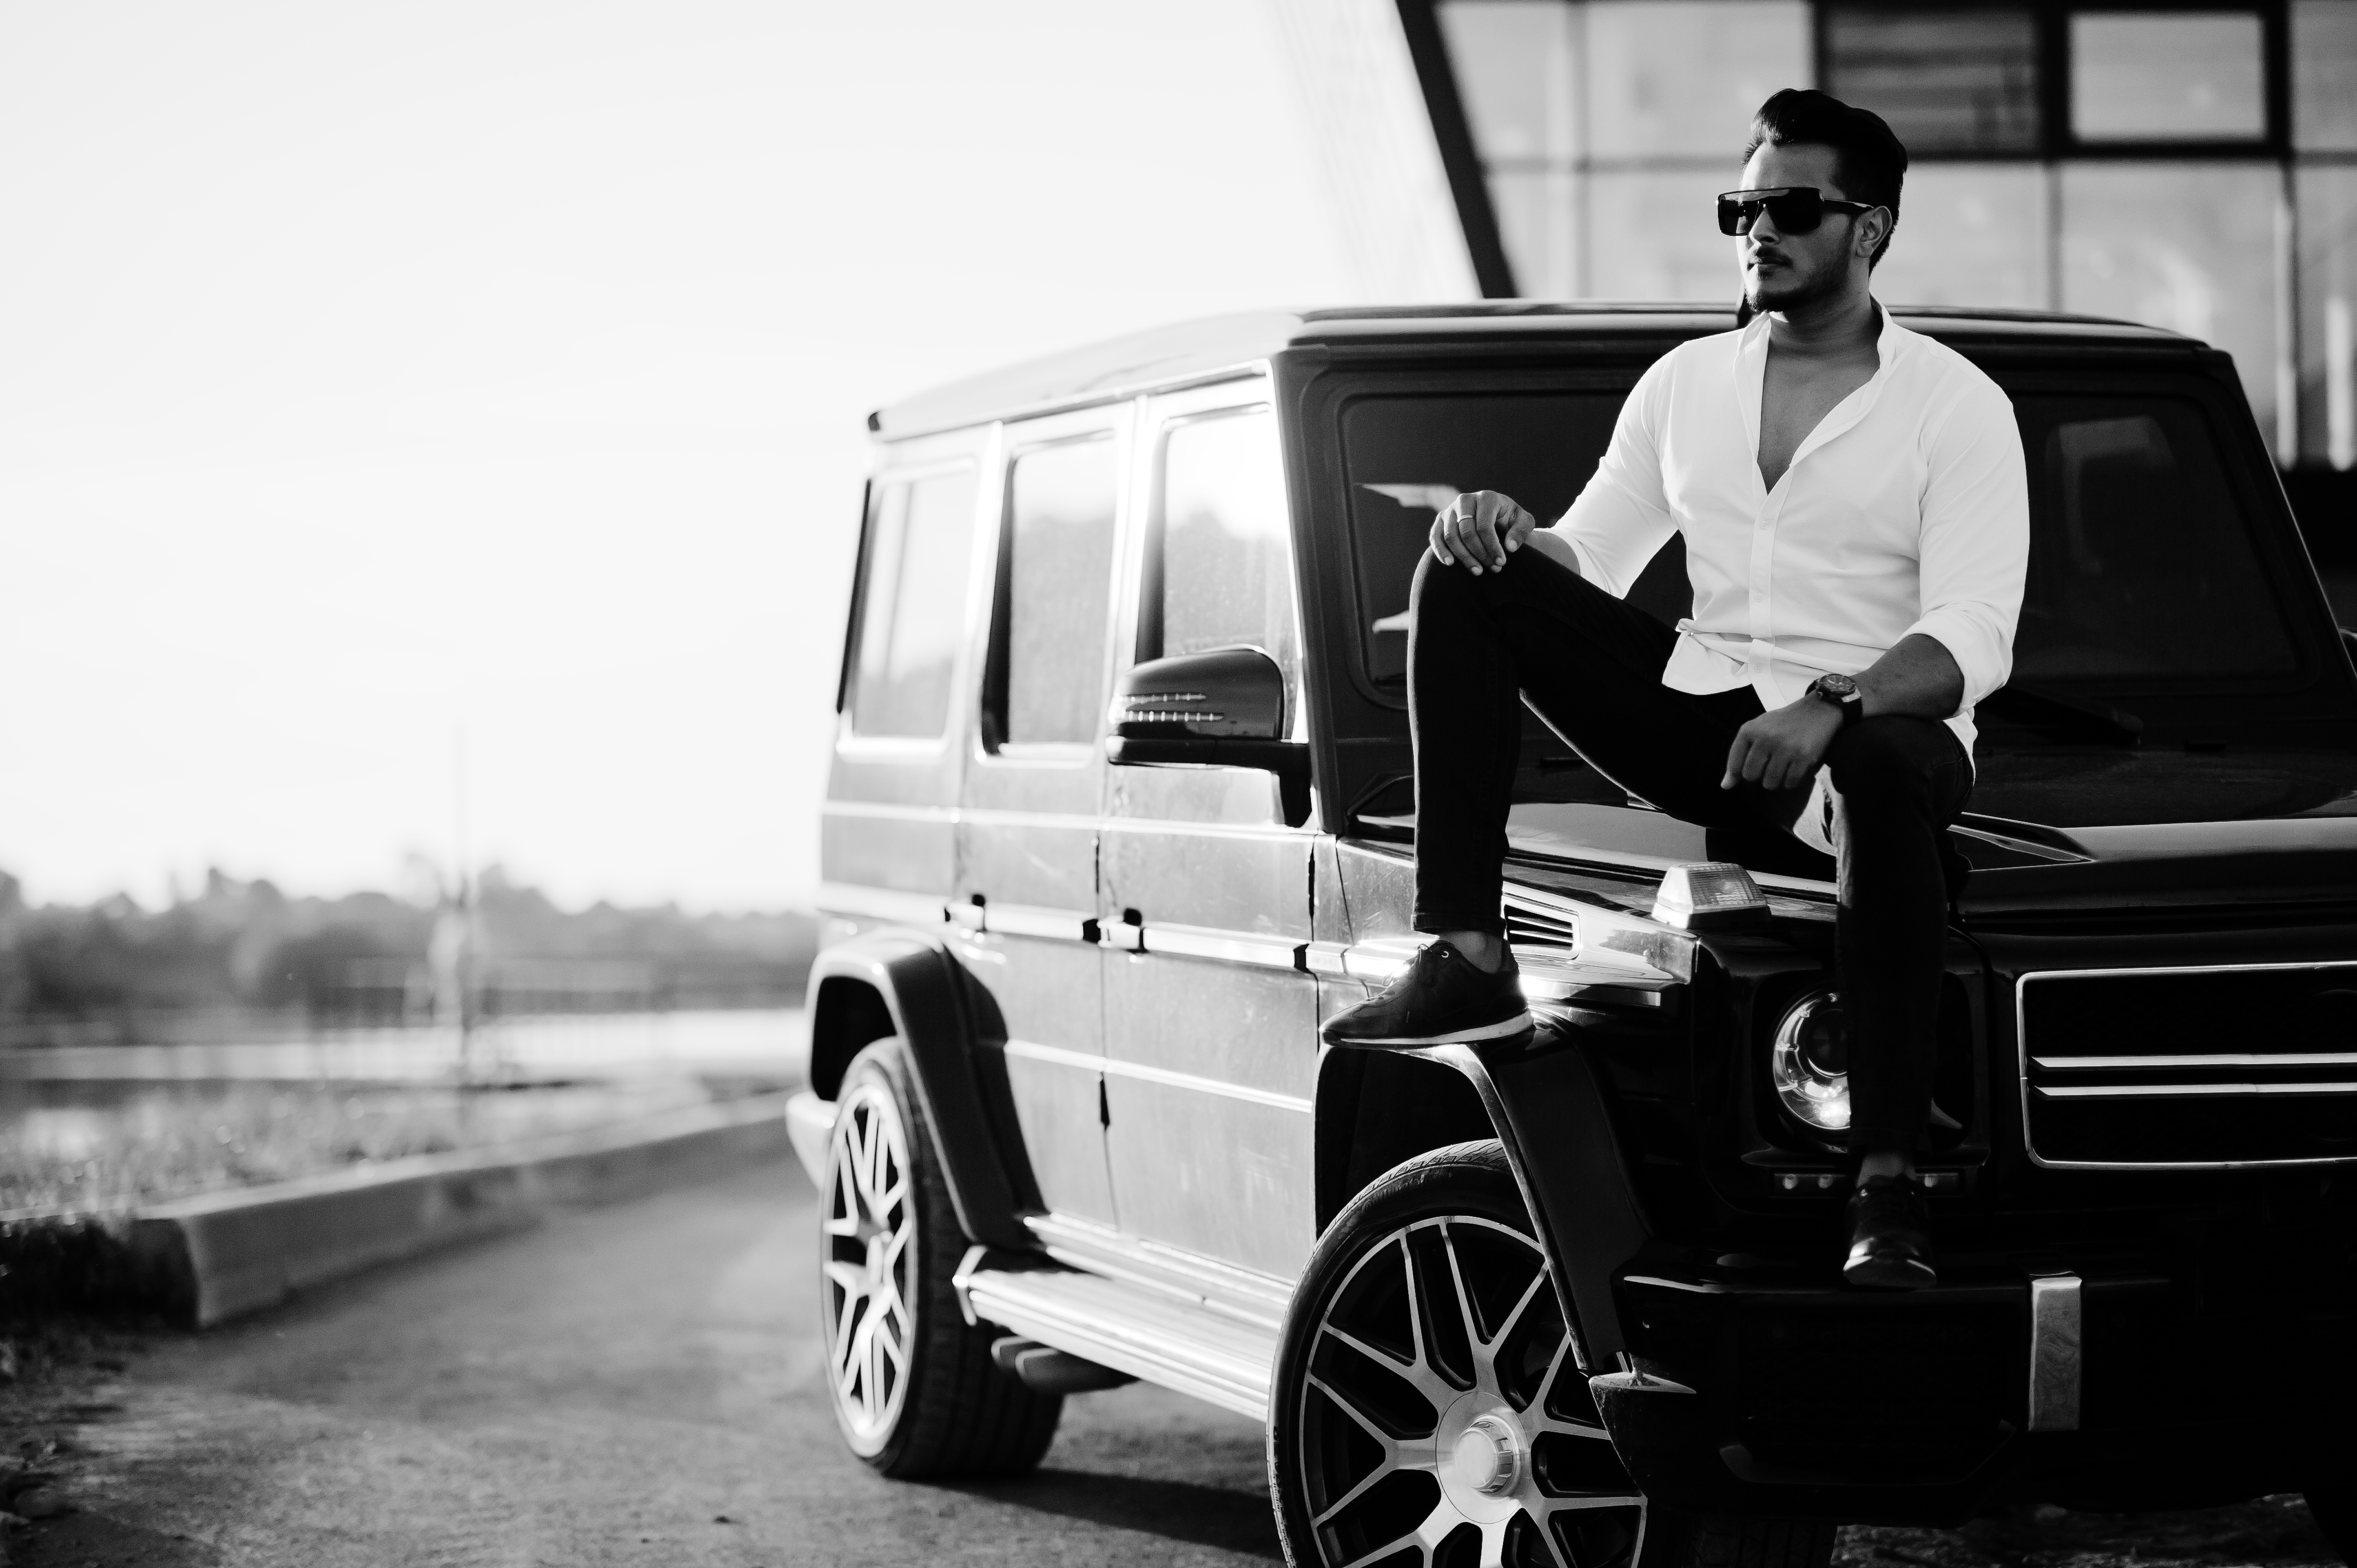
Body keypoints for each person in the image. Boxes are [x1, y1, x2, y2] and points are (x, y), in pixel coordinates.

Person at [1319, 88, 2029, 1291]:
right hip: (1712, 733)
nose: (1758, 228)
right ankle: (1466, 949)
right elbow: (1590, 555)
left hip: (1879, 752)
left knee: (1879, 760)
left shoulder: (1953, 404)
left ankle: (1888, 1182)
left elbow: (1972, 631)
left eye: (1790, 206)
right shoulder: (1685, 384)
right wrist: (1503, 529)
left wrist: (1834, 702)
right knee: (1461, 565)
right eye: (1741, 206)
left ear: (1870, 228)